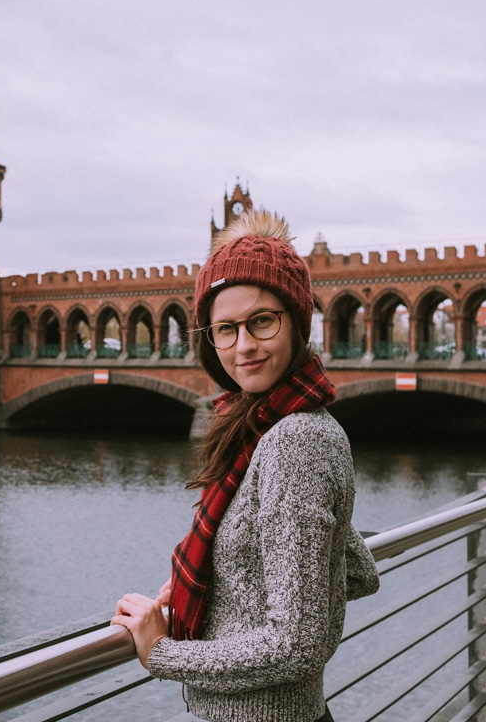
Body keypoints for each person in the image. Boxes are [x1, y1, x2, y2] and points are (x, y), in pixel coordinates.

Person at [111, 209, 379, 722]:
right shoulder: (279, 426)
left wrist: (161, 652)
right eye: (226, 329)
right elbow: (358, 572)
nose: (244, 346)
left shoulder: (292, 440)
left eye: (262, 321)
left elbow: (294, 645)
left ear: (296, 322)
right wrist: (224, 585)